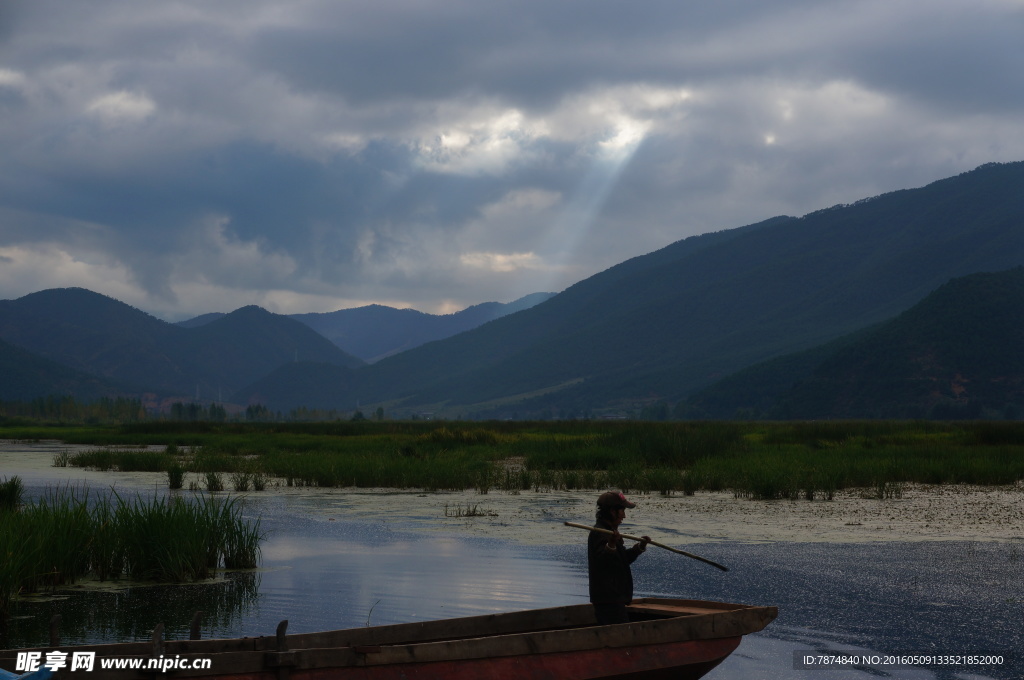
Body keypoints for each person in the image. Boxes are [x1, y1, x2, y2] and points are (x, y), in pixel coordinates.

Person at [587, 491, 651, 625]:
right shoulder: (601, 533)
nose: (624, 516)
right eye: (622, 510)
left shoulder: (611, 532)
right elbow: (602, 561)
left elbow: (621, 561)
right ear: (612, 511)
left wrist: (639, 548)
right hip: (608, 600)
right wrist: (611, 544)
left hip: (614, 599)